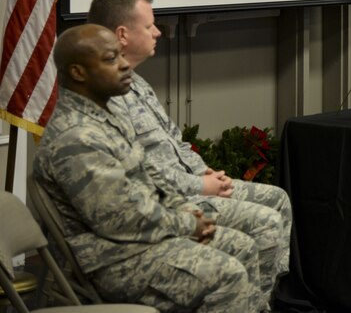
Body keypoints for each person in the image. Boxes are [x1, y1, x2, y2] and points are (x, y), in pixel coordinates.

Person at [34, 24, 262, 312]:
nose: (124, 64)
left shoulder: (108, 112)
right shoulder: (77, 138)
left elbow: (150, 176)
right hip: (113, 259)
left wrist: (188, 211)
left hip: (140, 240)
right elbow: (119, 221)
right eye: (110, 59)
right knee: (227, 275)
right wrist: (188, 224)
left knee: (243, 246)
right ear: (78, 73)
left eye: (120, 55)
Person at [87, 0, 292, 307]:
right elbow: (143, 171)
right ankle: (249, 303)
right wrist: (200, 185)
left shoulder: (135, 81)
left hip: (192, 184)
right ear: (123, 35)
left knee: (277, 199)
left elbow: (174, 141)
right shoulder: (107, 95)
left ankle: (260, 300)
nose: (158, 31)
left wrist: (206, 172)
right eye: (149, 26)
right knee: (264, 223)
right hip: (171, 199)